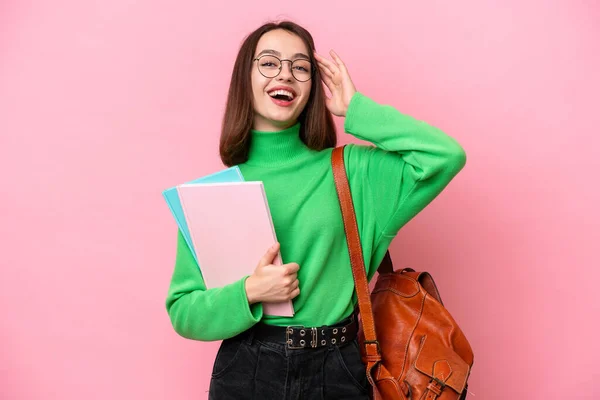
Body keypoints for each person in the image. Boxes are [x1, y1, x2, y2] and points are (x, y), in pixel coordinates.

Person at [165, 20, 466, 400]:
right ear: (245, 78)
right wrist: (250, 292)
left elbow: (445, 155)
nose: (285, 75)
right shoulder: (214, 193)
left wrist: (355, 108)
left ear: (312, 87)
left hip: (337, 366)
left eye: (300, 66)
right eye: (270, 63)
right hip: (247, 369)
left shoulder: (354, 171)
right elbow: (184, 311)